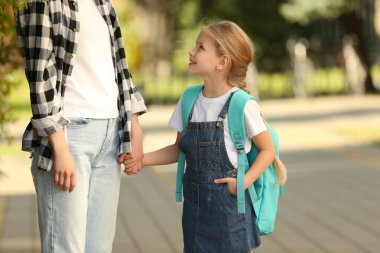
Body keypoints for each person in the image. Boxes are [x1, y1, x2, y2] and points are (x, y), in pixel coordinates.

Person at [124, 21, 276, 253]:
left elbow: (268, 150)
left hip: (231, 207)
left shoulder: (241, 105)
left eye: (200, 47)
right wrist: (142, 159)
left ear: (222, 62)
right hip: (195, 209)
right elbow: (179, 148)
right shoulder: (189, 100)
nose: (191, 52)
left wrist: (243, 183)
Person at [15, 0, 146, 252]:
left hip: (109, 136)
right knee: (65, 247)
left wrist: (134, 122)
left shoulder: (102, 4)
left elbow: (120, 68)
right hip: (69, 136)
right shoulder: (42, 3)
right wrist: (60, 149)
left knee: (99, 247)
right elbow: (40, 75)